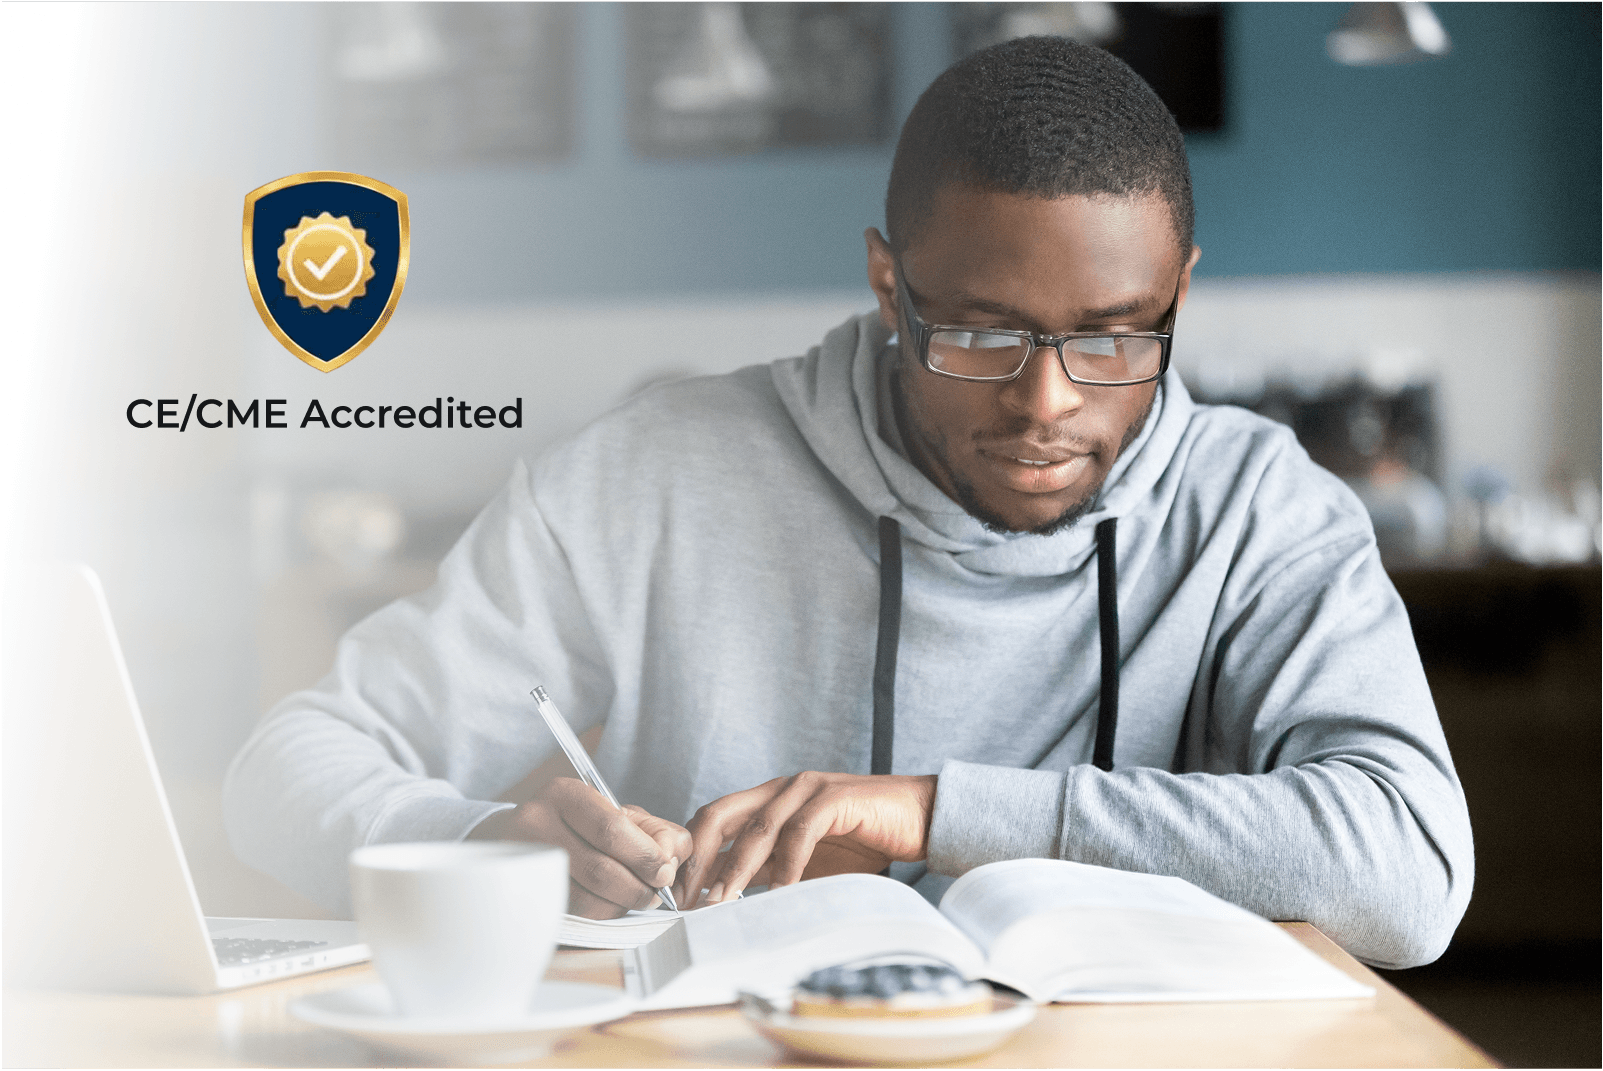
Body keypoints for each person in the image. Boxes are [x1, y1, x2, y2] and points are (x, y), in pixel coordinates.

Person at [225, 37, 1472, 969]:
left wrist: (933, 812)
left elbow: (1409, 875)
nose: (1047, 403)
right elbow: (282, 768)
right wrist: (484, 840)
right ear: (890, 282)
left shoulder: (1257, 511)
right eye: (981, 333)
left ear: (1177, 292)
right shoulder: (647, 476)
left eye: (1112, 338)